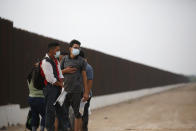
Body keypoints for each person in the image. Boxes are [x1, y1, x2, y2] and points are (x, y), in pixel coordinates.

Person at [60, 40, 89, 131]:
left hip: (77, 92)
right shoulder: (64, 59)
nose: (77, 49)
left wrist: (86, 92)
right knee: (63, 114)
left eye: (78, 48)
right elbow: (58, 74)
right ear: (70, 48)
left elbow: (85, 77)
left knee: (78, 114)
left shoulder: (82, 61)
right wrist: (65, 71)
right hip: (65, 92)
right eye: (75, 48)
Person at [41, 42, 67, 131]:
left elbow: (60, 74)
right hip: (49, 89)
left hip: (58, 89)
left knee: (62, 111)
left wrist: (62, 85)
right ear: (51, 50)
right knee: (50, 112)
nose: (59, 52)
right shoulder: (45, 62)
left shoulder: (56, 61)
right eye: (57, 50)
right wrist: (61, 84)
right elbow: (50, 79)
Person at [27, 62, 45, 131]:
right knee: (44, 115)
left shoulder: (29, 76)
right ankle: (42, 129)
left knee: (34, 115)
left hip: (31, 98)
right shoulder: (42, 76)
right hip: (41, 99)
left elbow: (29, 87)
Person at [79, 50, 94, 131]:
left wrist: (86, 94)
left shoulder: (87, 67)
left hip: (84, 95)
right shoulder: (88, 67)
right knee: (83, 115)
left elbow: (89, 82)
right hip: (85, 94)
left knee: (82, 115)